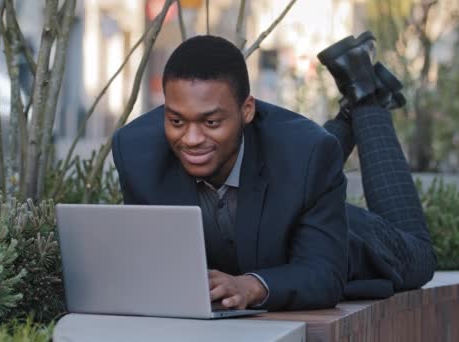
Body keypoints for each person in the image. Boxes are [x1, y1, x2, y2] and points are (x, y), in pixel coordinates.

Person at [111, 34, 436, 311]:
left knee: (419, 257)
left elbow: (323, 272)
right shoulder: (137, 152)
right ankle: (352, 107)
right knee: (299, 155)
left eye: (211, 122)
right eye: (177, 121)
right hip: (284, 185)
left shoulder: (304, 154)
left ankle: (365, 95)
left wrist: (252, 287)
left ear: (247, 110)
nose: (191, 139)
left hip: (322, 239)